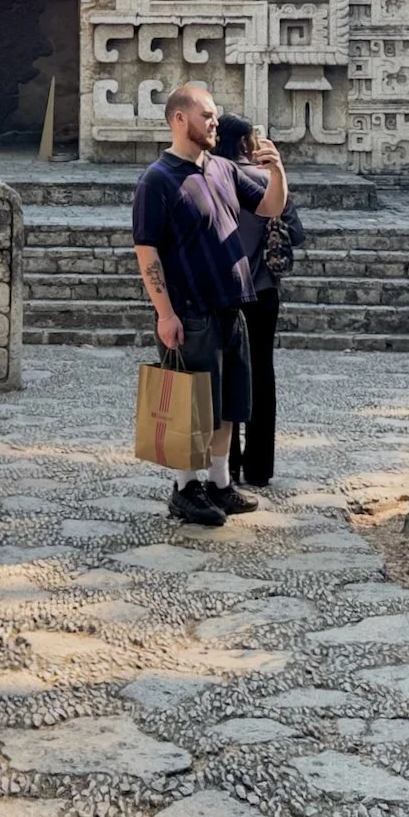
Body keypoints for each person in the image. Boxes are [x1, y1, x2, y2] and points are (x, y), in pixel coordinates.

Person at [130, 83, 287, 527]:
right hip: (189, 309)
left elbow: (270, 207)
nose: (214, 122)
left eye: (215, 115)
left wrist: (277, 171)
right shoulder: (157, 180)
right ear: (179, 119)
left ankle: (219, 482)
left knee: (229, 403)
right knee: (191, 405)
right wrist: (164, 313)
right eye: (206, 114)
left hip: (230, 305)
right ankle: (185, 487)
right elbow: (147, 252)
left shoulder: (222, 169)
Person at [211, 113, 306, 489]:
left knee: (225, 376)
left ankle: (226, 465)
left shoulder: (210, 178)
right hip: (264, 290)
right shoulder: (267, 180)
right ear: (248, 143)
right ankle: (259, 469)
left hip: (224, 291)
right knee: (262, 375)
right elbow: (295, 233)